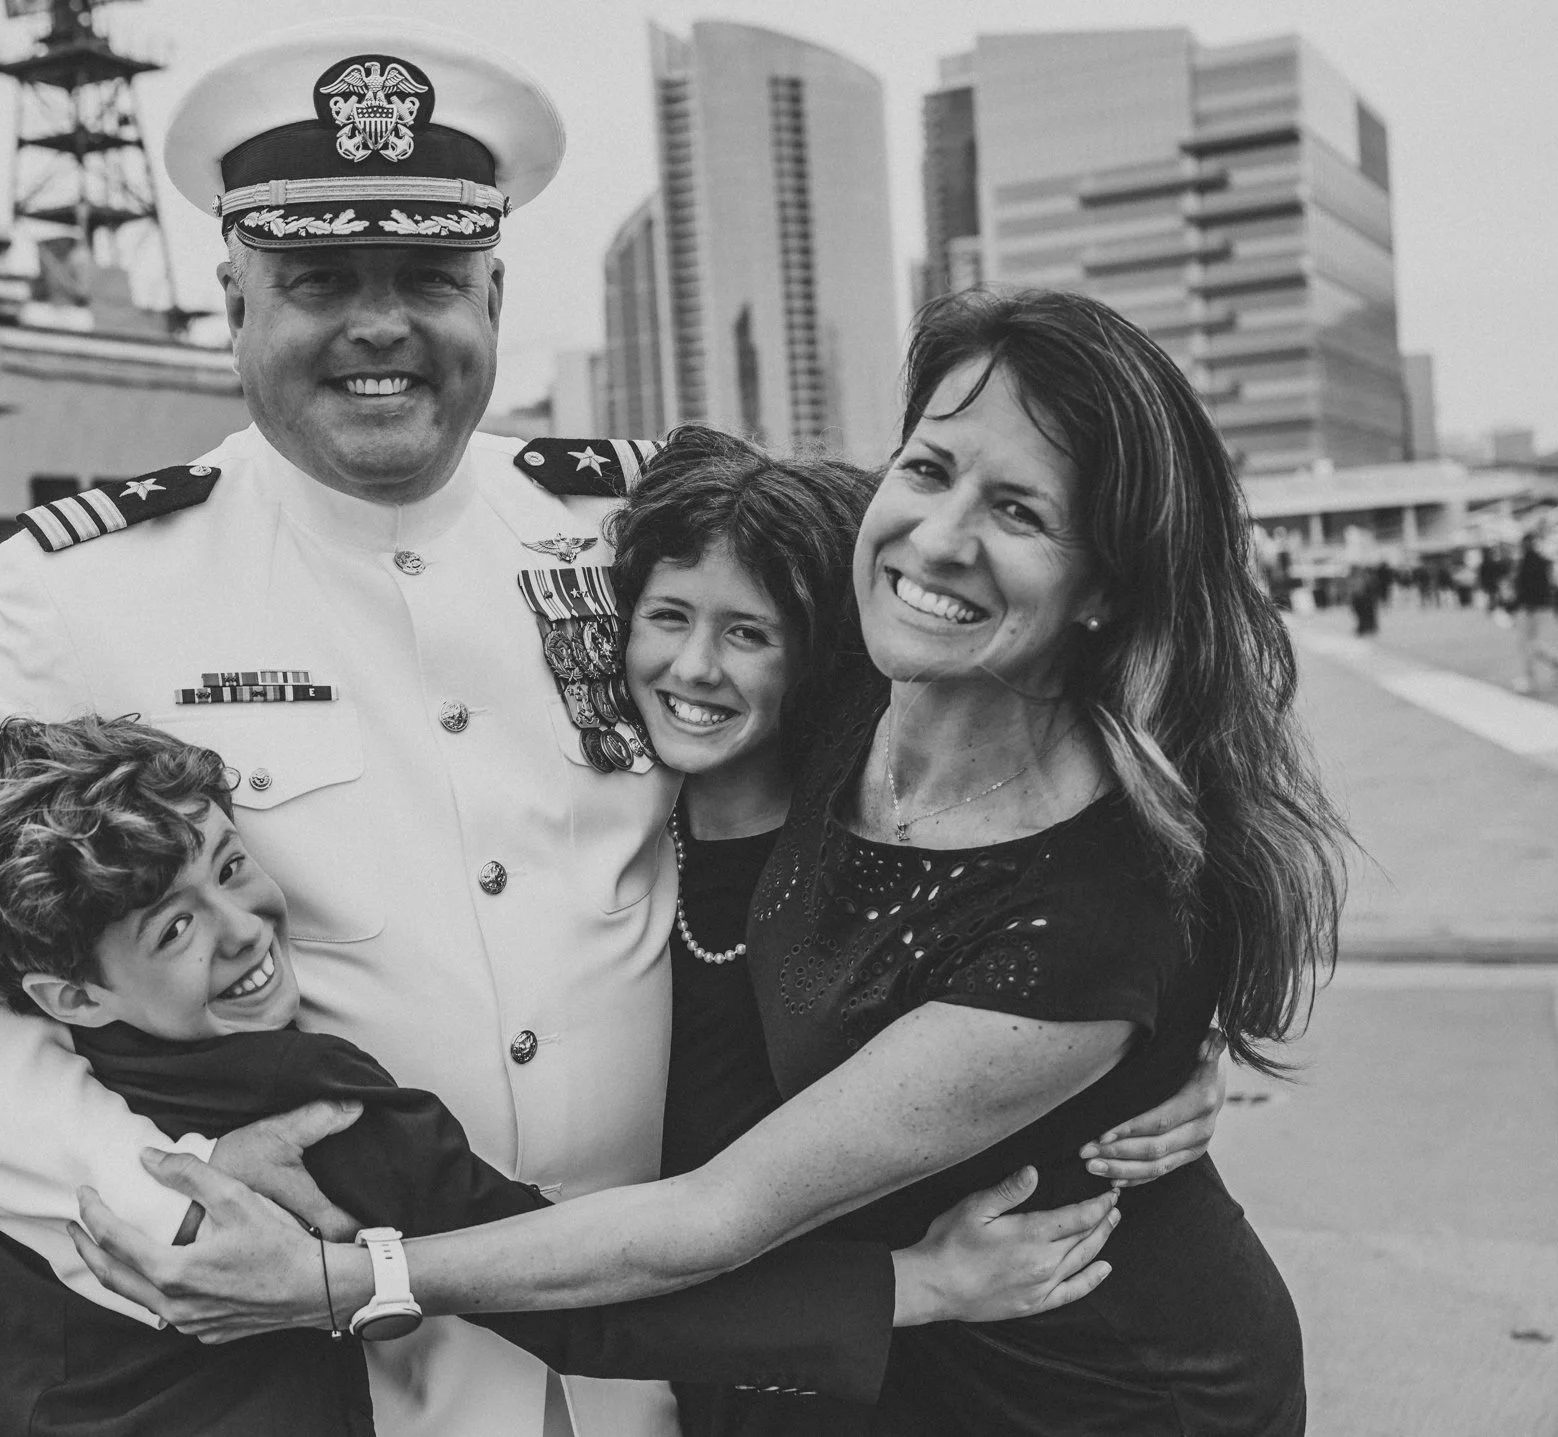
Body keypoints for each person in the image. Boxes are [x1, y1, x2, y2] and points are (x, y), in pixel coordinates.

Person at [0, 23, 1221, 1437]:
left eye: (431, 279)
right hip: (314, 1347)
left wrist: (1159, 1030)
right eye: (317, 281)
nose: (382, 326)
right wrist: (167, 1206)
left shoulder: (630, 532)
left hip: (651, 1336)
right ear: (232, 295)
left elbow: (972, 694)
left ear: (493, 289)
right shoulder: (92, 588)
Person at [76, 289, 1343, 1436]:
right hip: (894, 1350)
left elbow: (717, 1216)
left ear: (1105, 589)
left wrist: (342, 1286)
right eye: (931, 467)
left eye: (1018, 510)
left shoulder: (1088, 901)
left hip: (1103, 1380)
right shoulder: (854, 692)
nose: (940, 537)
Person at [0, 712, 922, 1435]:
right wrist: (913, 1287)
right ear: (71, 995)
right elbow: (579, 1299)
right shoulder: (313, 1110)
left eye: (227, 862)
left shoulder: (38, 1104)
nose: (241, 925)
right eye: (173, 928)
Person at [1511, 534, 1558, 693]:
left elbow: (1528, 587)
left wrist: (1520, 605)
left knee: (1526, 643)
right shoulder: (1540, 561)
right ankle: (1557, 663)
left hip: (1530, 608)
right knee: (1528, 643)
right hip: (1536, 607)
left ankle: (1532, 679)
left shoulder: (1528, 562)